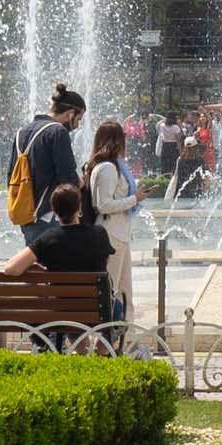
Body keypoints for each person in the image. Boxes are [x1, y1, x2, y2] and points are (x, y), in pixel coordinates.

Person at [0, 183, 117, 330]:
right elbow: (106, 261)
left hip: (62, 312)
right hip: (99, 309)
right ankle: (102, 348)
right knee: (117, 307)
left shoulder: (49, 239)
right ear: (79, 208)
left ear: (54, 211)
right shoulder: (99, 233)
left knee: (71, 314)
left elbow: (11, 268)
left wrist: (35, 266)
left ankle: (82, 347)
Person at [8, 84, 86, 238]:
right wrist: (81, 182)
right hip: (50, 215)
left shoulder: (22, 132)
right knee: (54, 260)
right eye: (78, 119)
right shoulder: (58, 132)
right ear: (71, 113)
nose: (77, 125)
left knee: (35, 260)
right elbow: (67, 178)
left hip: (27, 213)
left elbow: (11, 174)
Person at [84, 121, 141, 322]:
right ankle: (104, 341)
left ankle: (129, 342)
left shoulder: (113, 166)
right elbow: (103, 205)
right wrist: (135, 199)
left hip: (120, 233)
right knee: (111, 291)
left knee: (126, 292)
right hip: (110, 235)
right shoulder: (107, 168)